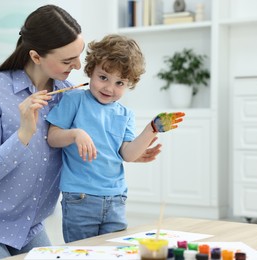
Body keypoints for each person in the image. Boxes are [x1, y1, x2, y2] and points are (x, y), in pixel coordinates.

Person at [0, 5, 161, 260]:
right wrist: (23, 134)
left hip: (27, 228)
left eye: (78, 55)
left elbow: (87, 142)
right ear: (36, 57)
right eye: (68, 60)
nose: (79, 65)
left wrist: (126, 151)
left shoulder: (70, 95)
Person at [46, 34, 185, 243]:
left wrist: (151, 129)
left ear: (129, 84)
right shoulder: (74, 100)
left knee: (115, 252)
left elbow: (128, 155)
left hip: (116, 199)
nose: (109, 88)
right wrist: (76, 134)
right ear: (90, 71)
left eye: (119, 82)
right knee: (81, 254)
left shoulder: (125, 114)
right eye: (103, 77)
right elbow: (52, 138)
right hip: (80, 198)